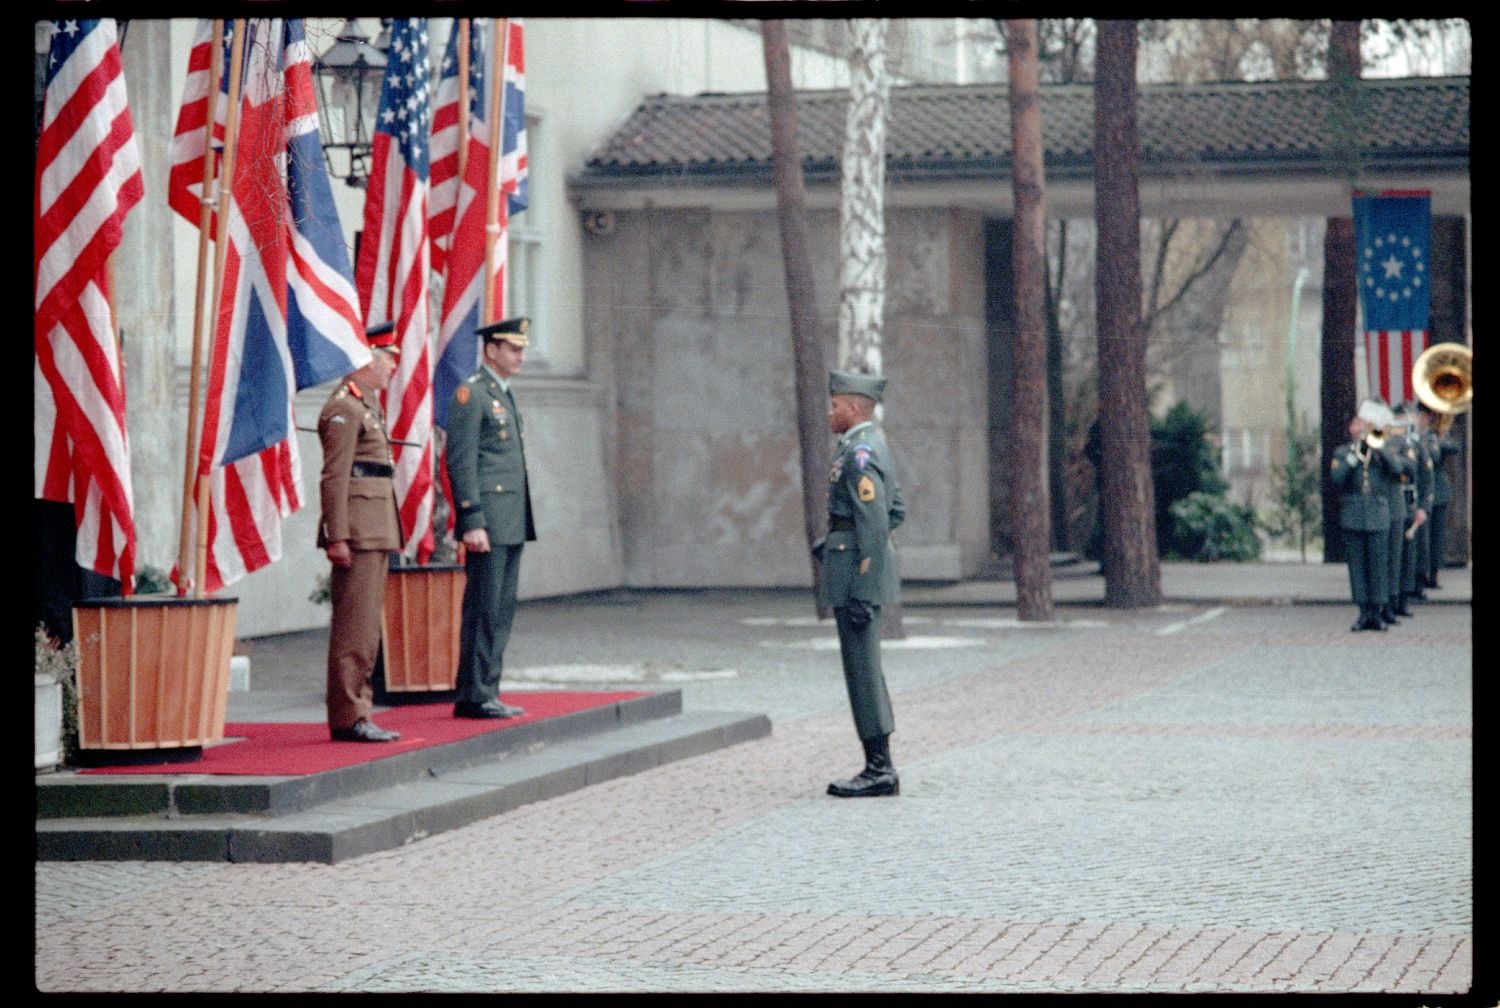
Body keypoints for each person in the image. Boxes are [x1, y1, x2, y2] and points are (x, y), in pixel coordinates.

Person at [815, 369, 906, 798]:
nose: (829, 412)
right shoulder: (870, 446)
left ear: (853, 408)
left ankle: (879, 769)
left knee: (863, 673)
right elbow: (896, 510)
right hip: (854, 565)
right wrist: (840, 537)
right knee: (864, 670)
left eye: (835, 406)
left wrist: (862, 584)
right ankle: (878, 763)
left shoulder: (859, 453)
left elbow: (874, 521)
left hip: (856, 578)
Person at [316, 323, 404, 743]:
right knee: (355, 627)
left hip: (376, 527)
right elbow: (334, 477)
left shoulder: (366, 406)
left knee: (367, 628)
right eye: (389, 357)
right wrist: (337, 535)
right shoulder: (345, 408)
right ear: (366, 358)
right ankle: (349, 715)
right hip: (357, 530)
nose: (393, 366)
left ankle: (358, 710)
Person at [445, 317, 536, 719]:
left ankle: (486, 689)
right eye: (512, 348)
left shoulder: (503, 394)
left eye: (522, 349)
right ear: (491, 350)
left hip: (511, 517)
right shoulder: (472, 394)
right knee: (483, 607)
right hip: (489, 520)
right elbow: (461, 463)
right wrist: (472, 520)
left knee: (501, 607)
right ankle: (474, 692)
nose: (520, 355)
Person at [1330, 409, 1393, 632]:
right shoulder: (1343, 452)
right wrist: (1354, 456)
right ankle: (1363, 612)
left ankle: (1377, 612)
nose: (1361, 428)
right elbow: (1337, 478)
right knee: (1357, 567)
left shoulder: (1381, 451)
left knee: (1378, 566)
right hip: (1353, 516)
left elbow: (1397, 469)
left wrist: (1380, 448)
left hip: (1378, 515)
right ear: (1351, 428)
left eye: (1365, 424)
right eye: (1358, 424)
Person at [1420, 402, 1461, 589]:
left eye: (1428, 415)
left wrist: (1437, 439)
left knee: (1436, 536)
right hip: (1421, 491)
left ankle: (1434, 573)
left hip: (1439, 491)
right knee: (1422, 536)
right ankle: (1419, 574)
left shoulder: (1437, 435)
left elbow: (1455, 446)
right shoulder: (1416, 437)